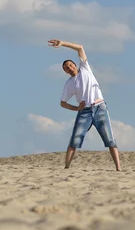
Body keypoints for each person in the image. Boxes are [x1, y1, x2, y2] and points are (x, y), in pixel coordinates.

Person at [47, 39, 121, 171]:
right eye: (66, 68)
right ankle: (66, 167)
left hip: (100, 108)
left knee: (109, 139)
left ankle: (118, 168)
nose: (69, 68)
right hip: (84, 112)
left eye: (70, 65)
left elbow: (80, 48)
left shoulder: (85, 69)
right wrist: (76, 108)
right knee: (75, 139)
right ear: (65, 71)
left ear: (75, 65)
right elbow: (62, 103)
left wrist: (63, 43)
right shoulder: (69, 83)